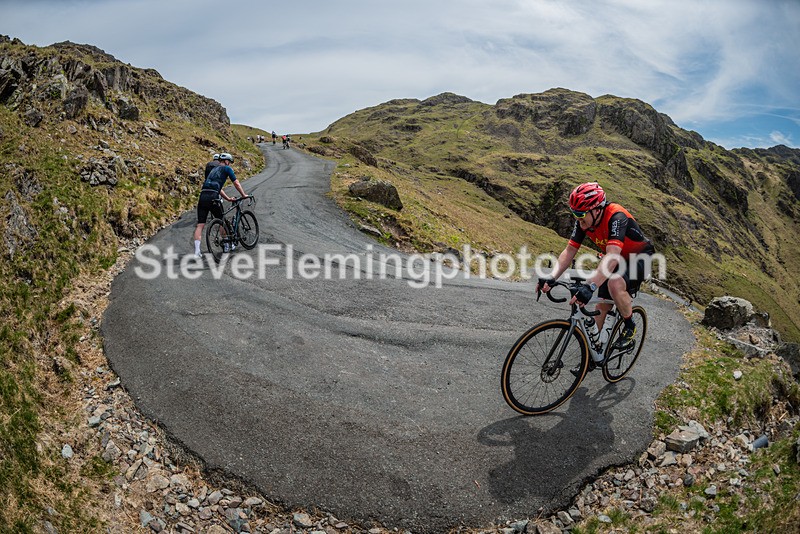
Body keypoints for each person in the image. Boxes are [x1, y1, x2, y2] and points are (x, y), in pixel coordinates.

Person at [537, 182, 654, 351]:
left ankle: (629, 326)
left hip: (640, 257)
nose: (577, 218)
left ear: (596, 209)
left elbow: (612, 257)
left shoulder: (616, 217)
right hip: (615, 258)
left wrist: (590, 286)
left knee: (614, 284)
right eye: (574, 213)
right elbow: (570, 250)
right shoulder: (584, 221)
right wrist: (552, 276)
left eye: (581, 213)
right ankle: (593, 352)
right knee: (601, 307)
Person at [193, 153, 248, 257]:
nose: (230, 164)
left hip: (203, 196)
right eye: (230, 162)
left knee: (200, 225)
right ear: (227, 161)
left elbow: (217, 187)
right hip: (213, 197)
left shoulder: (213, 170)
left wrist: (227, 198)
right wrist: (243, 194)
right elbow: (236, 183)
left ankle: (197, 252)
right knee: (221, 220)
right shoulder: (227, 169)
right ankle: (227, 245)